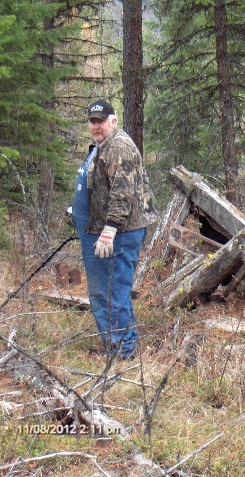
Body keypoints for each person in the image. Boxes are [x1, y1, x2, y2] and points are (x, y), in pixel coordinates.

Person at [70, 99, 158, 360]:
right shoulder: (101, 147)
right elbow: (99, 187)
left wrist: (109, 230)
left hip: (120, 233)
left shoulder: (119, 146)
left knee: (113, 293)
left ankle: (122, 353)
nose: (96, 126)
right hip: (100, 230)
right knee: (105, 292)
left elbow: (123, 193)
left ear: (113, 121)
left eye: (101, 121)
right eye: (92, 121)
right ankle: (117, 347)